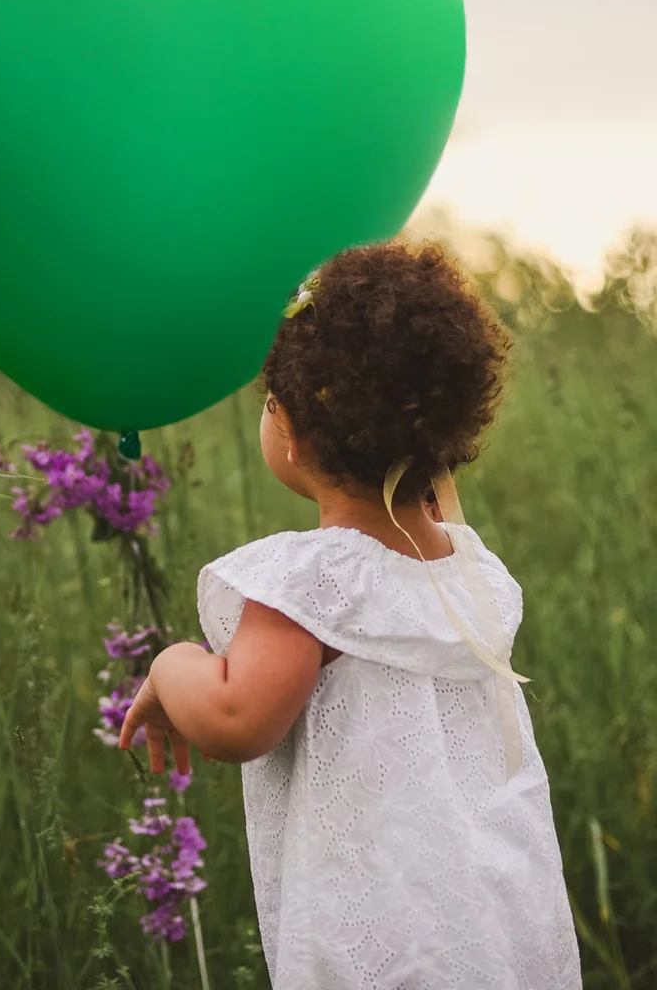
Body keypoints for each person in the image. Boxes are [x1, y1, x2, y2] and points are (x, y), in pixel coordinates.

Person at [119, 242, 580, 988]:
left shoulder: (313, 586)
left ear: (293, 433)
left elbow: (238, 720)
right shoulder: (468, 570)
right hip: (495, 918)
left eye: (271, 403)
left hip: (385, 937)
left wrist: (173, 666)